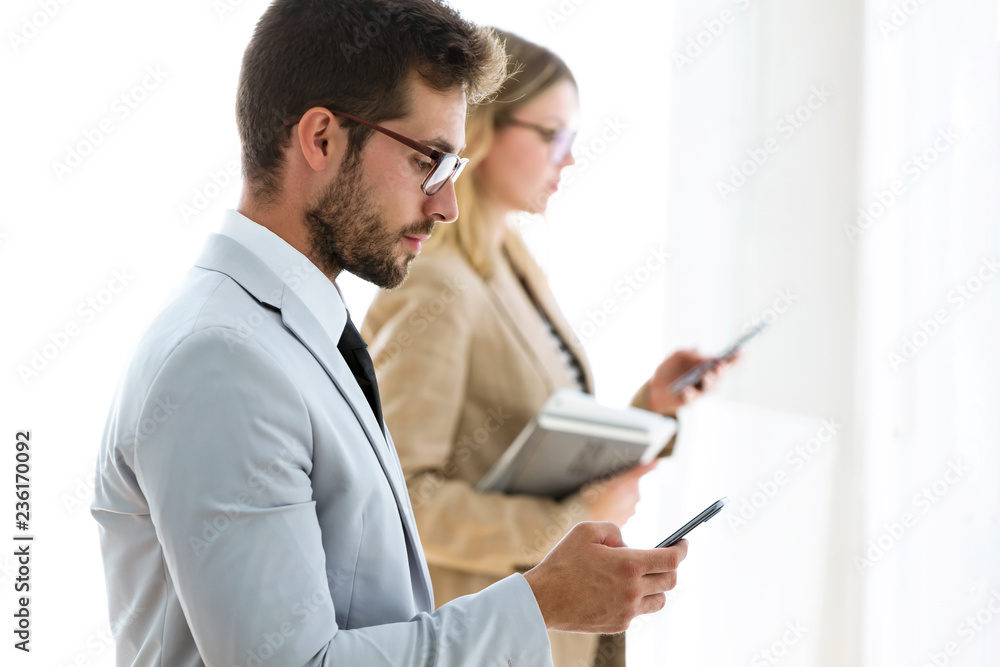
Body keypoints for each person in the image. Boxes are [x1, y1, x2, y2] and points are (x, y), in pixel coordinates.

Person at [90, 2, 691, 666]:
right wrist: (539, 603)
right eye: (428, 160)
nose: (445, 204)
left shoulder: (294, 333)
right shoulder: (222, 362)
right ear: (321, 139)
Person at [361, 29, 733, 667]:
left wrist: (651, 407)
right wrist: (575, 517)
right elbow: (401, 505)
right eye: (551, 134)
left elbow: (532, 437)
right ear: (480, 131)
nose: (568, 158)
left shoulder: (507, 259)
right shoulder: (437, 287)